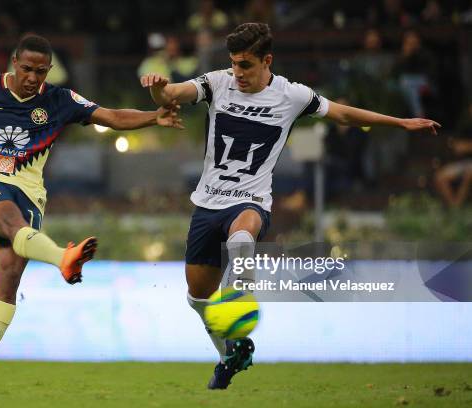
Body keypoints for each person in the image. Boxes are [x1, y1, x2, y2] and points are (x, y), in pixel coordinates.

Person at [140, 22, 440, 390]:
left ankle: (238, 299)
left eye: (246, 65)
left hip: (251, 200)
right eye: (234, 63)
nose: (238, 73)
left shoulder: (293, 95)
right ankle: (230, 354)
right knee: (197, 297)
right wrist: (158, 89)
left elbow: (343, 113)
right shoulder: (216, 82)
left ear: (267, 60)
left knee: (242, 235)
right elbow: (171, 94)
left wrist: (401, 123)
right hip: (207, 203)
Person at [0, 34, 182, 392]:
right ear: (14, 62)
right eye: (27, 69)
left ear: (49, 71)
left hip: (30, 193)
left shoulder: (60, 100)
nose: (32, 77)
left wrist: (155, 117)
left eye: (41, 72)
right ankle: (63, 257)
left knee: (8, 281)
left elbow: (113, 116)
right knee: (9, 221)